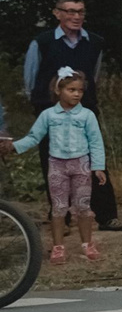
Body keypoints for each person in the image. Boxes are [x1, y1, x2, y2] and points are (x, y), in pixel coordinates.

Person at [8, 69, 107, 263]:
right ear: (58, 90)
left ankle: (87, 244)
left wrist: (98, 166)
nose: (77, 94)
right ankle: (58, 247)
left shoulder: (87, 115)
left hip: (81, 164)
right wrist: (14, 147)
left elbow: (96, 141)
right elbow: (34, 137)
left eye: (80, 90)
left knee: (83, 205)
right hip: (57, 165)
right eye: (71, 90)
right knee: (59, 207)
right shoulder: (48, 115)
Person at [25, 0, 103, 122]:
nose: (77, 17)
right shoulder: (42, 42)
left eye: (81, 12)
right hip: (48, 111)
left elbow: (94, 76)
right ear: (57, 13)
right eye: (71, 12)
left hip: (84, 112)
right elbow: (30, 80)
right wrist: (37, 102)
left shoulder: (95, 43)